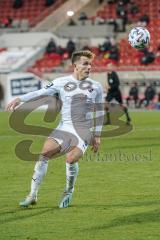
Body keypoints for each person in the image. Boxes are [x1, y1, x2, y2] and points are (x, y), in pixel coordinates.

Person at [6, 50, 104, 209]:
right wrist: (20, 99)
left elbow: (100, 111)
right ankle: (32, 195)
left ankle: (68, 191)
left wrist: (97, 135)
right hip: (64, 127)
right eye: (85, 64)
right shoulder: (61, 82)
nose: (89, 67)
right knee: (43, 154)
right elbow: (40, 92)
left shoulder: (96, 86)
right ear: (75, 65)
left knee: (71, 159)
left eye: (90, 64)